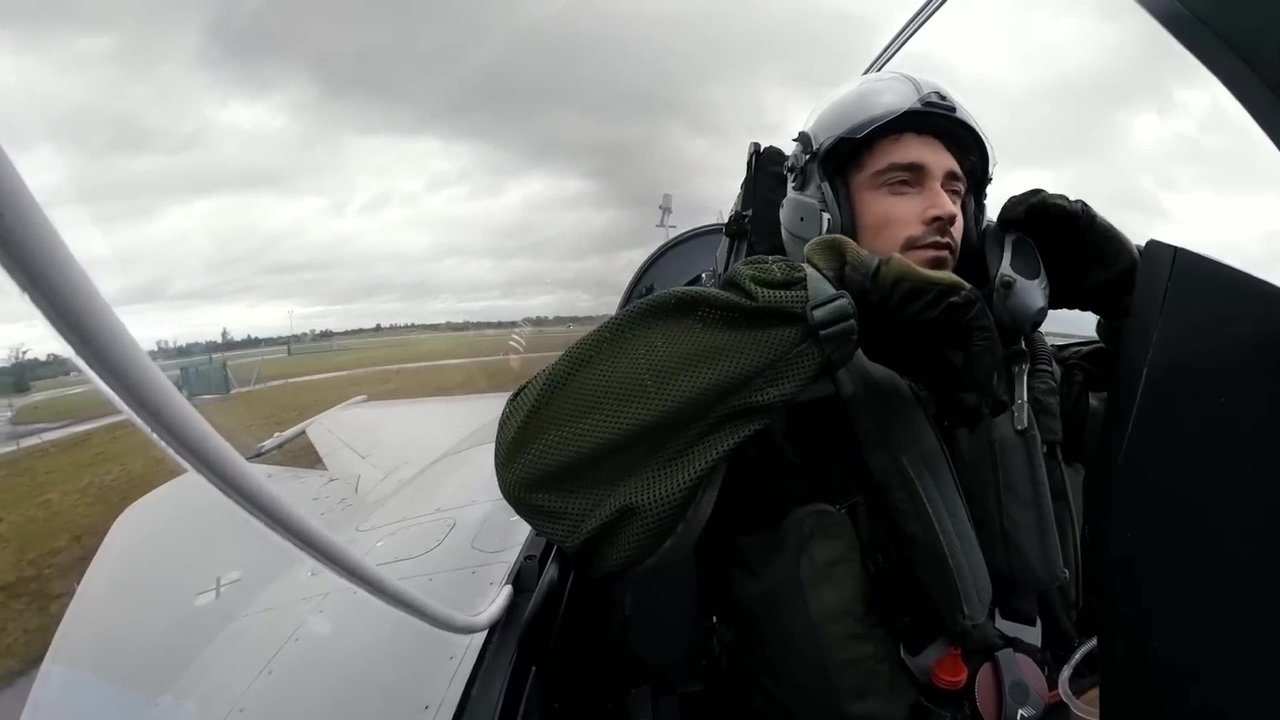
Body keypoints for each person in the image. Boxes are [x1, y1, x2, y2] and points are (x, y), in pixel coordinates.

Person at [495, 70, 1139, 720]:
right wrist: (815, 304)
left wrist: (1133, 297)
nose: (945, 208)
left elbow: (1179, 425)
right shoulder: (758, 386)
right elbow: (542, 463)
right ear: (820, 211)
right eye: (903, 181)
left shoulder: (1016, 371)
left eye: (956, 189)